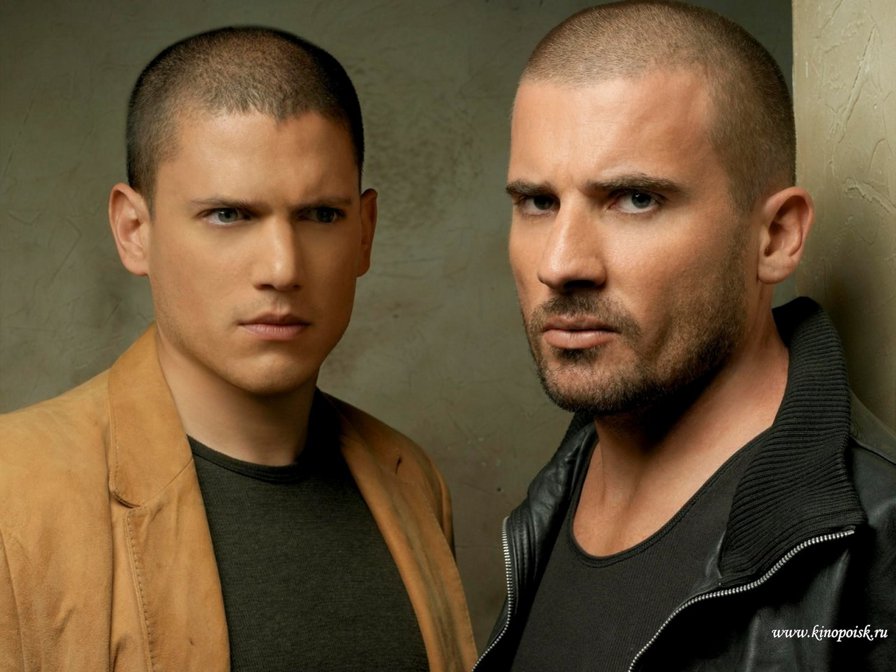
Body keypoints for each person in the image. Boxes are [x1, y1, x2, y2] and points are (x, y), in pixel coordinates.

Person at [0, 27, 476, 672]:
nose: (282, 269)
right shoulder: (15, 493)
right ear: (134, 230)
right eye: (229, 215)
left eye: (321, 215)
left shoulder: (410, 480)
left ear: (365, 233)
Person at [474, 2, 896, 671]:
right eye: (538, 202)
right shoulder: (557, 490)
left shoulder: (878, 544)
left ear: (775, 237)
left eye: (635, 199)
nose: (559, 263)